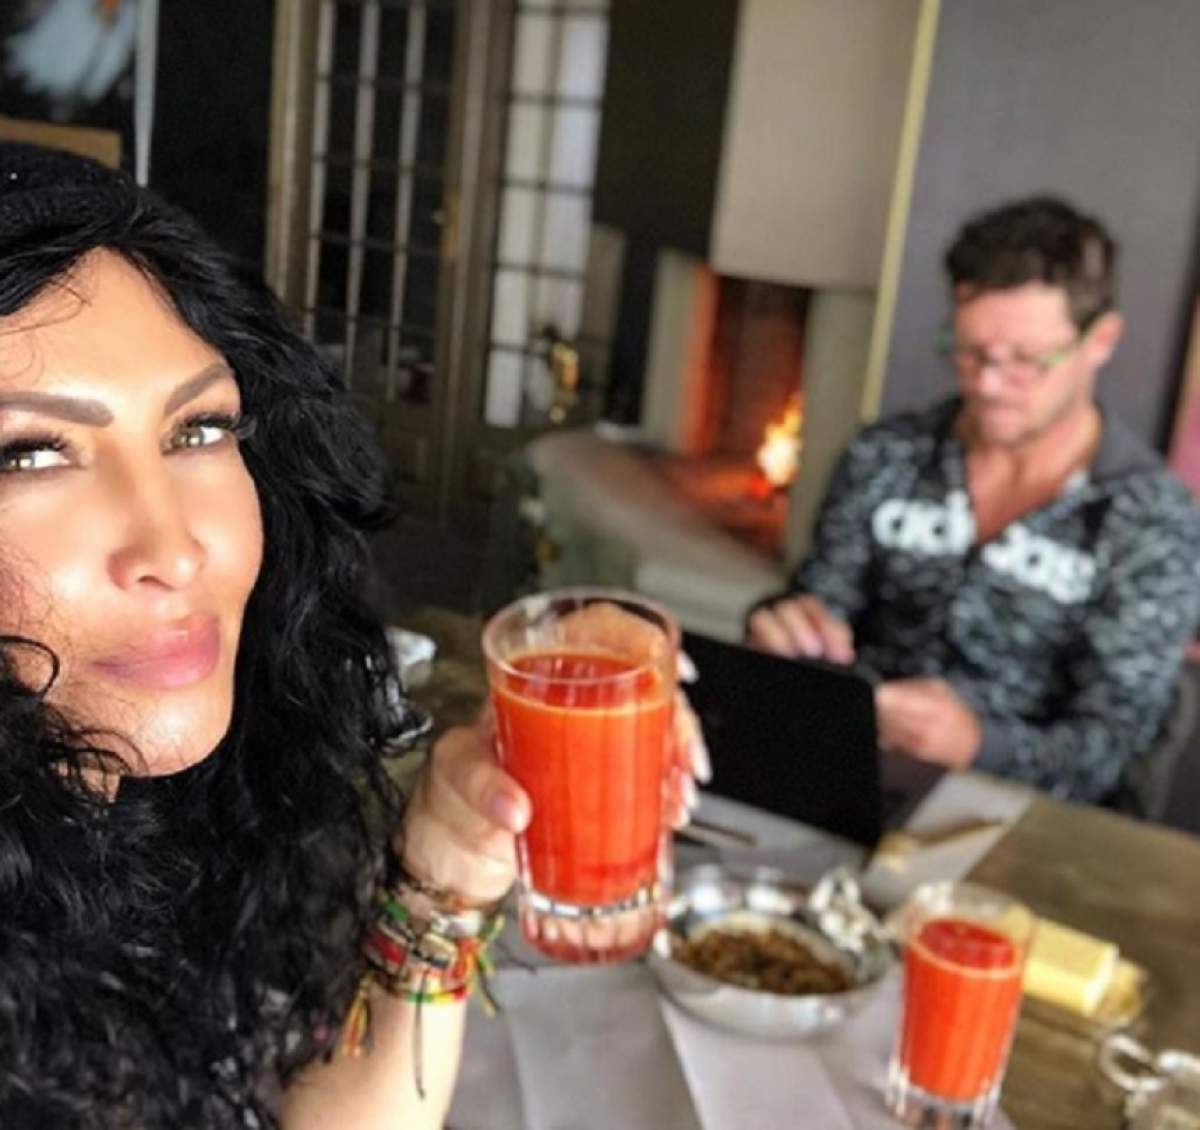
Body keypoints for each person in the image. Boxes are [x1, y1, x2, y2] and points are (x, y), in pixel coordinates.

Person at [0, 142, 702, 1129]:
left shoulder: (161, 820)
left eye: (198, 429)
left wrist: (444, 874)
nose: (176, 547)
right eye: (31, 454)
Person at [748, 196, 1200, 812]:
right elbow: (819, 601)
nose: (987, 384)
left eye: (1025, 362)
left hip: (1022, 817)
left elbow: (1113, 749)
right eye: (969, 351)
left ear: (1100, 340)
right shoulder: (886, 456)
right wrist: (784, 627)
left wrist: (980, 746)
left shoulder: (1153, 520)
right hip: (842, 775)